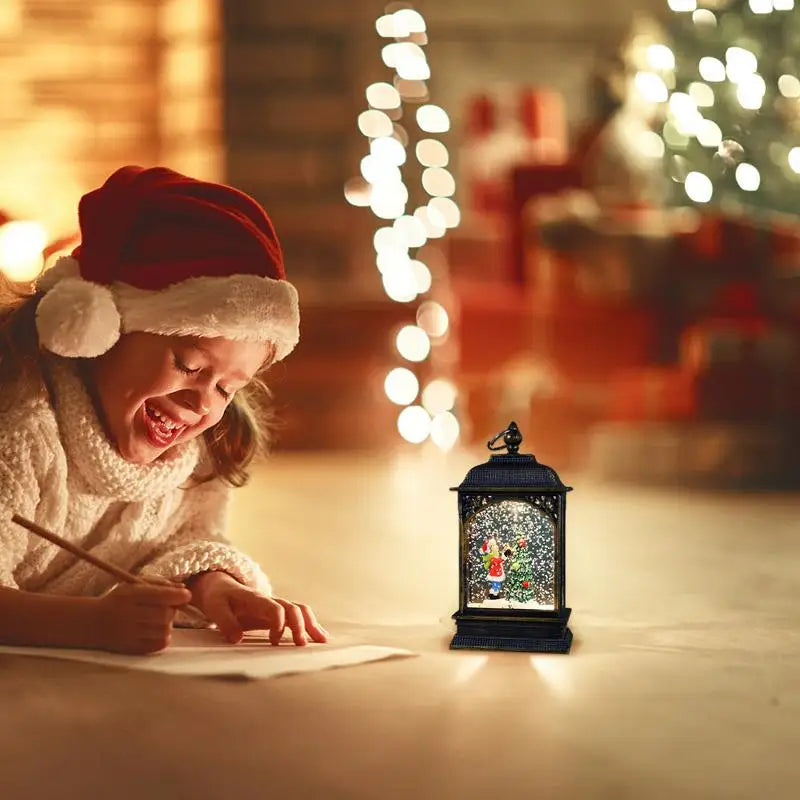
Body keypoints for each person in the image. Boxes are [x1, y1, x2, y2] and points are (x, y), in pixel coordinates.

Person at [0, 165, 328, 655]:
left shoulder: (195, 456)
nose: (202, 403)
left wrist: (215, 586)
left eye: (227, 388)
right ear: (101, 332)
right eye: (188, 365)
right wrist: (91, 625)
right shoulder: (22, 430)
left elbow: (182, 538)